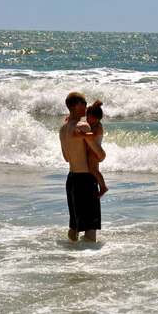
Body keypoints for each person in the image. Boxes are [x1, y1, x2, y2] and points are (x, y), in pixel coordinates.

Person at [59, 92, 106, 242]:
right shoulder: (83, 126)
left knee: (74, 226)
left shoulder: (63, 127)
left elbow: (67, 158)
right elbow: (100, 155)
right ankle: (87, 262)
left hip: (71, 179)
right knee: (90, 228)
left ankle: (71, 254)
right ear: (79, 104)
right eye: (85, 104)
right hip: (85, 180)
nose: (86, 108)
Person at [74, 100, 109, 198]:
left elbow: (92, 136)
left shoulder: (97, 127)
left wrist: (81, 135)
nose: (86, 119)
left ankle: (103, 187)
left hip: (96, 152)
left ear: (90, 116)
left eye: (86, 116)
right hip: (93, 151)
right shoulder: (93, 124)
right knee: (92, 170)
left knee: (93, 170)